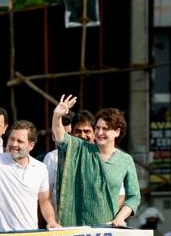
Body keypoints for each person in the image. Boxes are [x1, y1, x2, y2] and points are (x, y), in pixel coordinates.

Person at [50, 93, 140, 228]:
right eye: (97, 128)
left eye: (105, 129)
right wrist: (57, 115)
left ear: (117, 131)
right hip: (78, 229)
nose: (99, 132)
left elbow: (134, 196)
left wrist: (120, 217)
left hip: (109, 230)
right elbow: (61, 137)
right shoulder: (81, 149)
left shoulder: (125, 160)